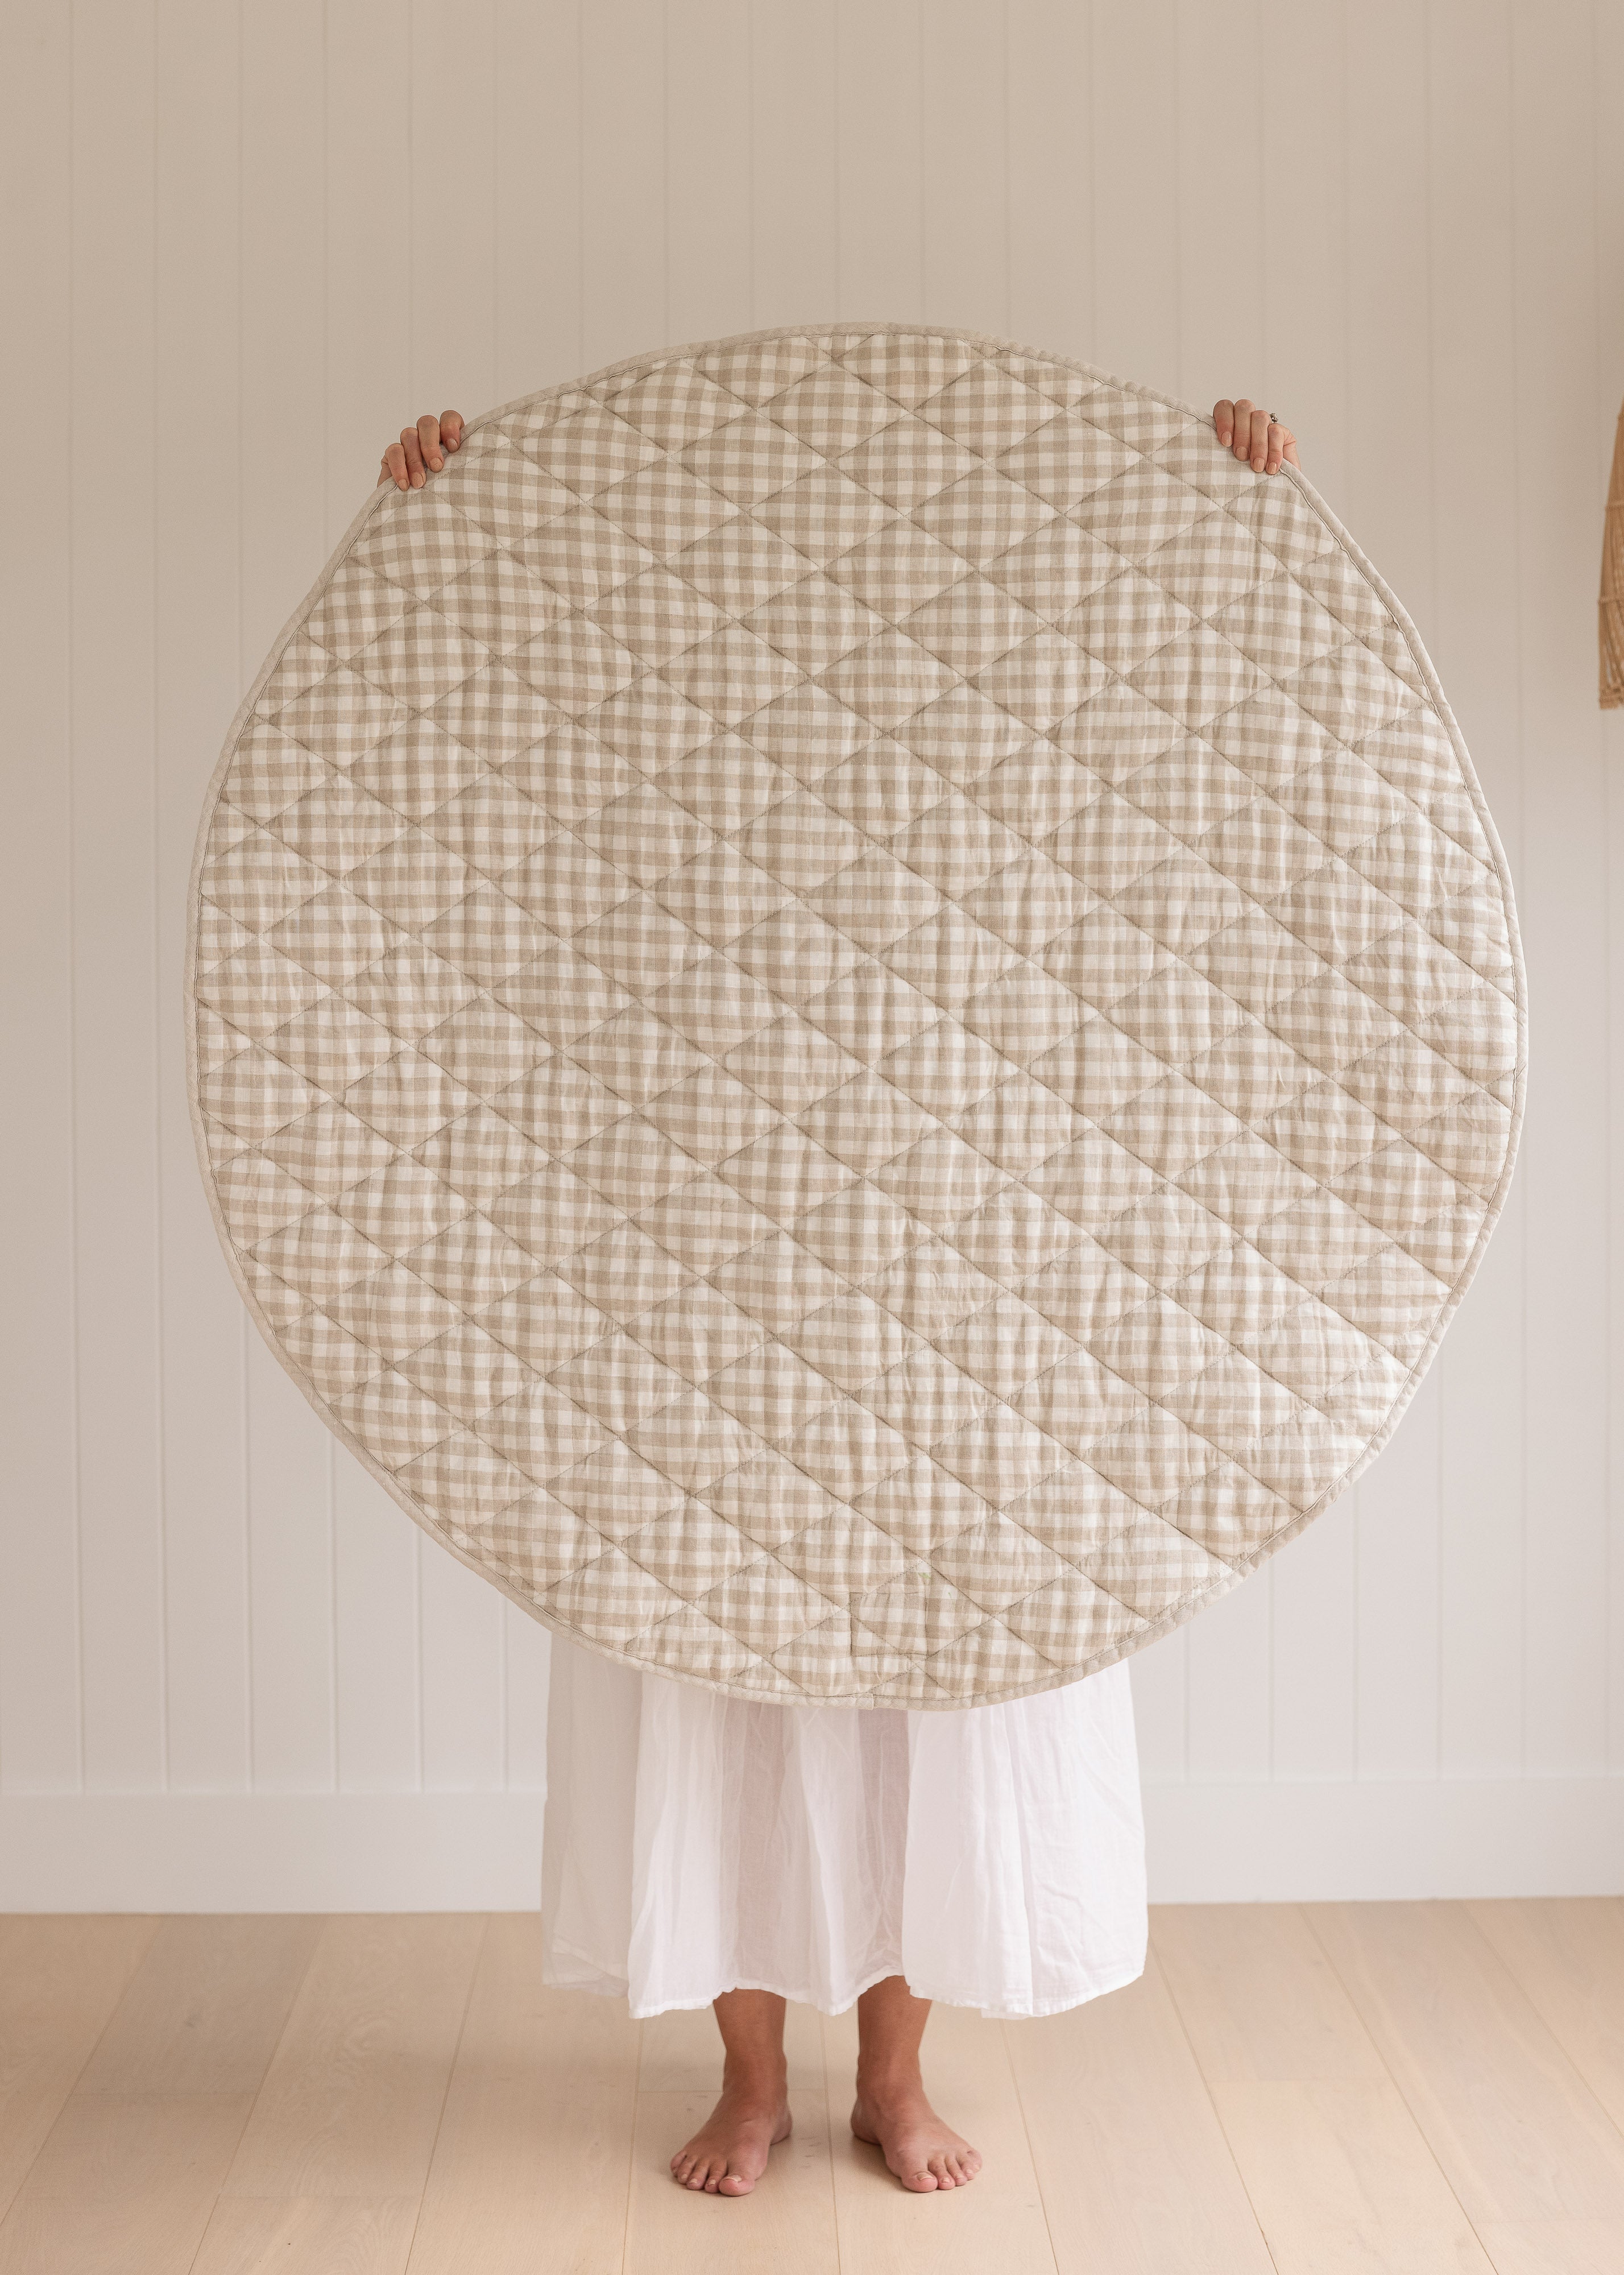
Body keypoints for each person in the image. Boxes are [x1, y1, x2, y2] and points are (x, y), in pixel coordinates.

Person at [378, 386, 1300, 2197]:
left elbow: (1162, 707)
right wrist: (459, 497)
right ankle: (747, 2083)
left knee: (925, 1682)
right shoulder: (670, 715)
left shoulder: (1001, 727)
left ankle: (890, 2078)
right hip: (694, 1253)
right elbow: (511, 704)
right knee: (709, 1667)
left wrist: (1225, 479)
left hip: (950, 1262)